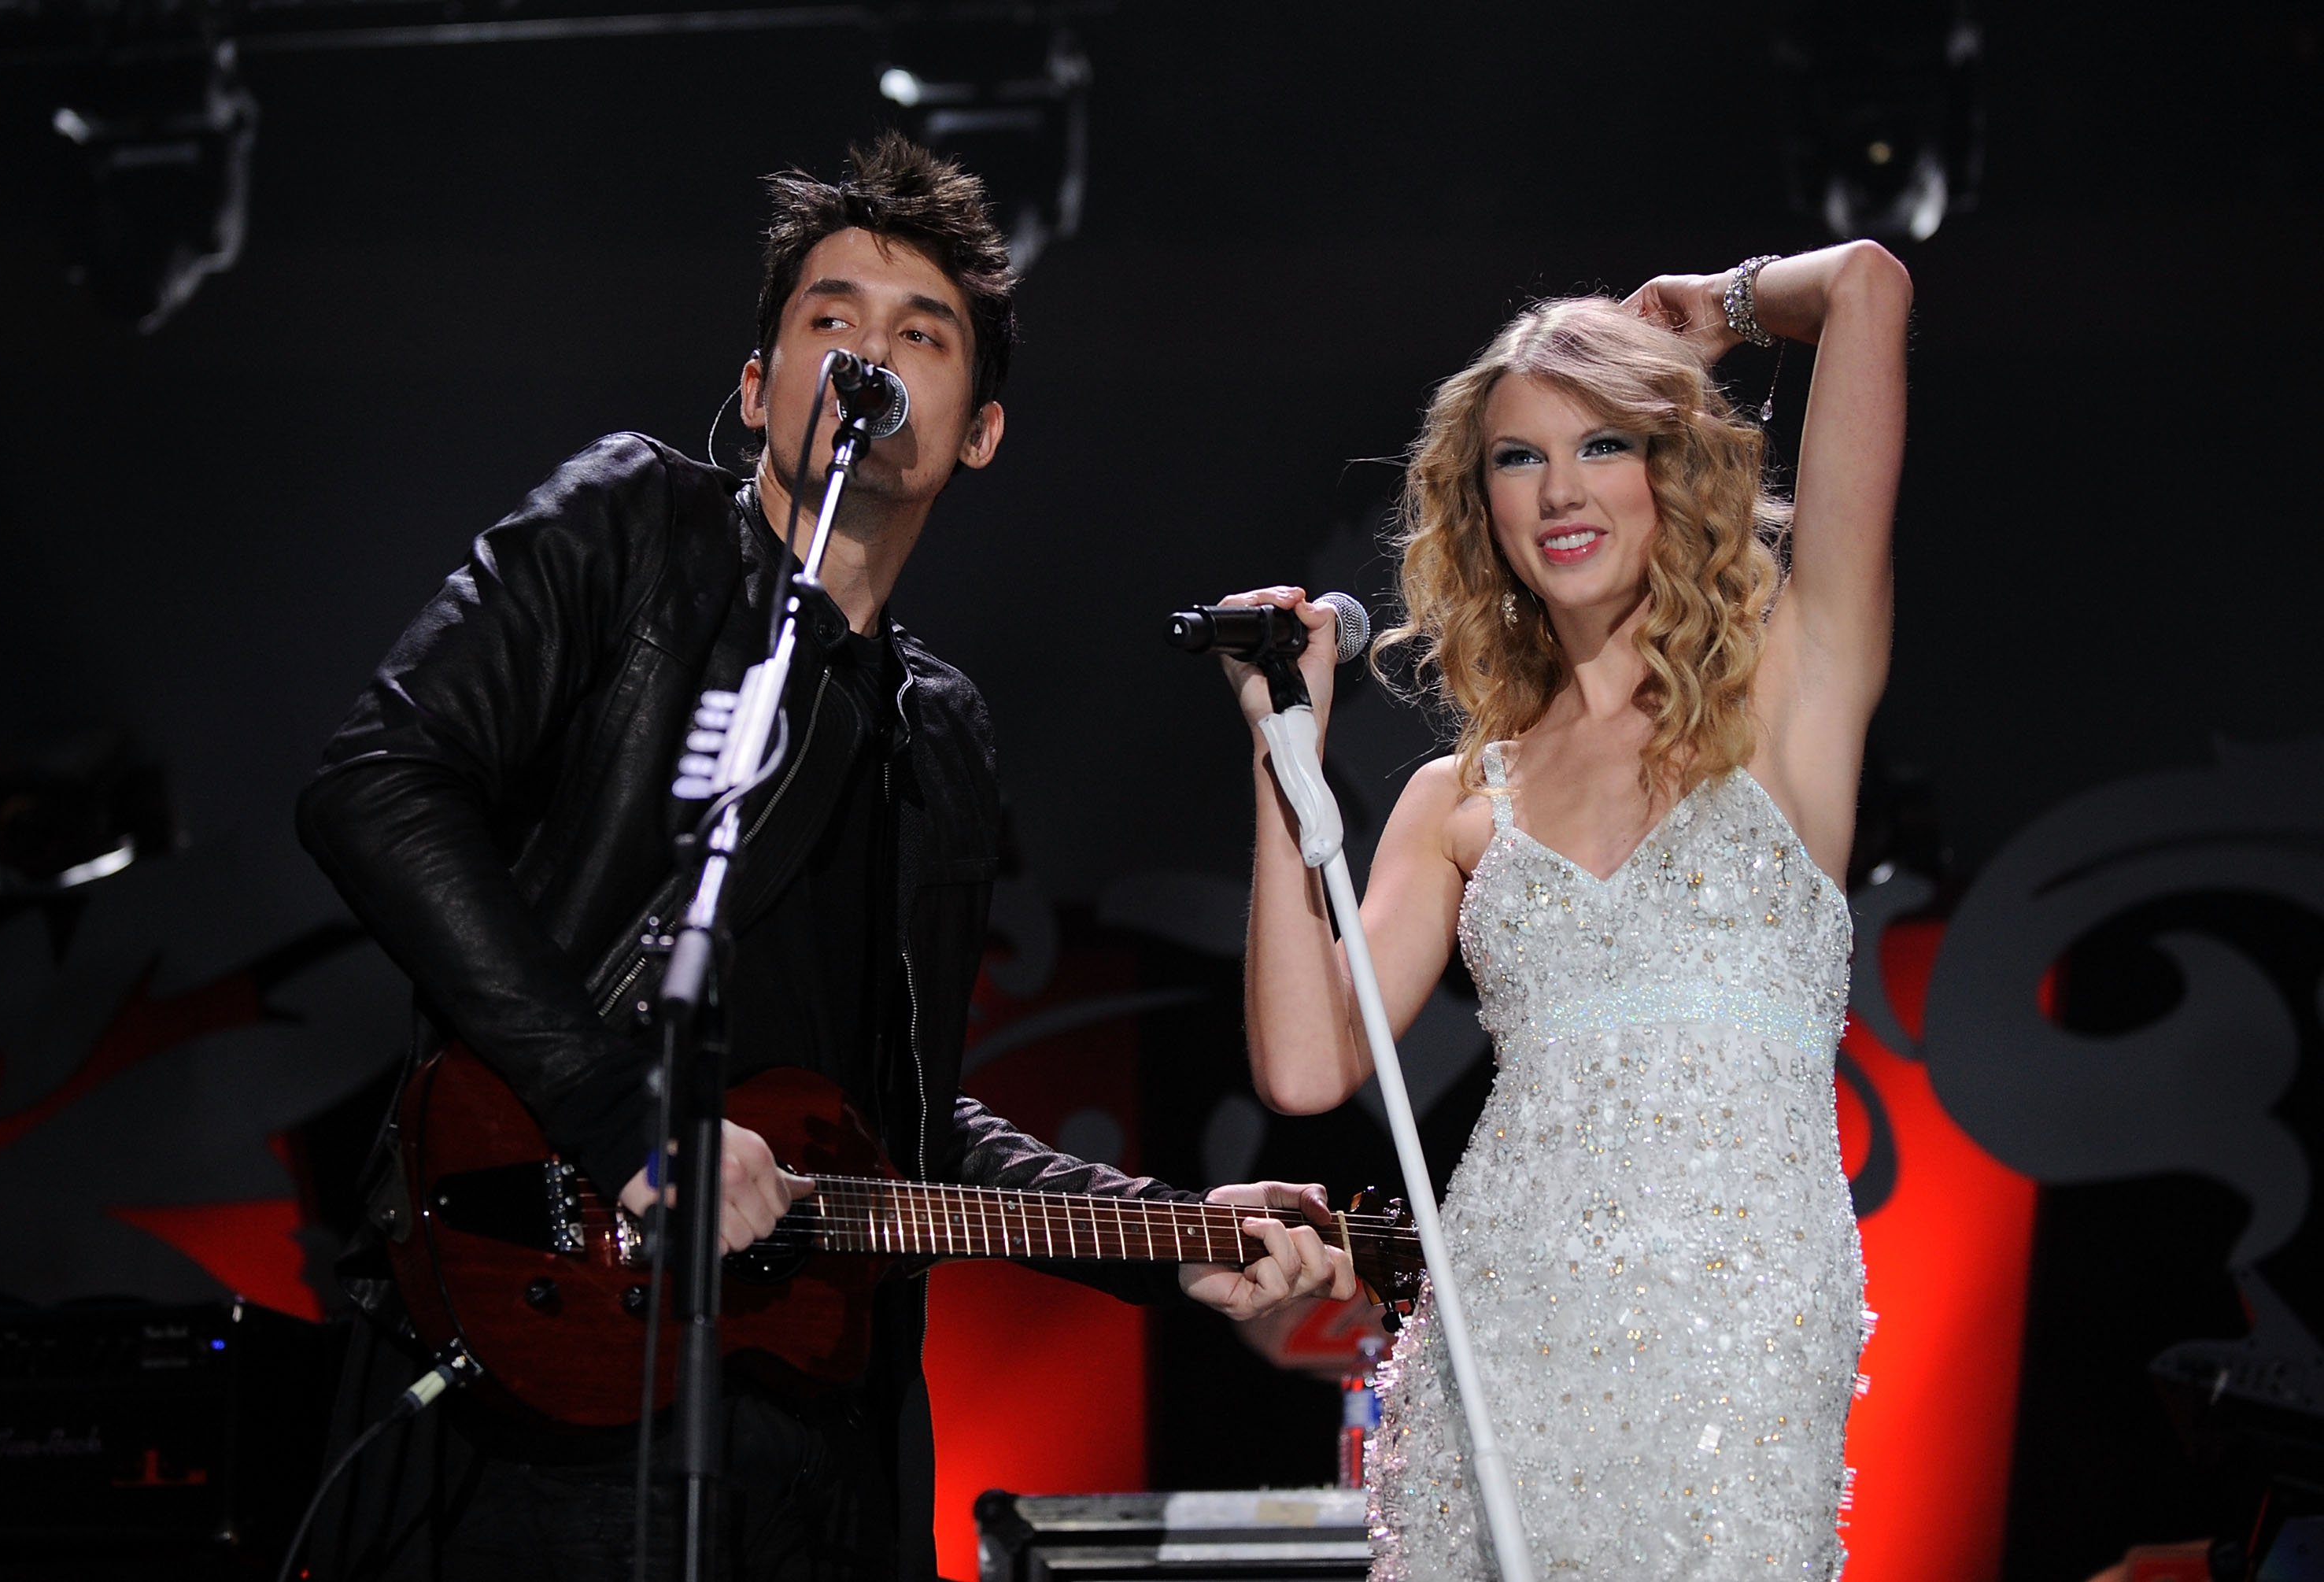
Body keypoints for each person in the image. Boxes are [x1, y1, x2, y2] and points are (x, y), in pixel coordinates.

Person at [297, 132, 1354, 1582]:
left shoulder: (941, 732)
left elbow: (898, 1125)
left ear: (977, 428)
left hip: (820, 1431)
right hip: (552, 1361)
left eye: (921, 335)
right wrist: (627, 1122)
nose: (870, 353)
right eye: (828, 320)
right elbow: (377, 783)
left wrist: (1166, 1228)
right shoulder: (631, 529)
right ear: (757, 390)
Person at [1217, 242, 1910, 1578]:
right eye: (1518, 458)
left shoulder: (1793, 693)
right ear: (1481, 507)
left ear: (1671, 469)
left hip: (1743, 1330)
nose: (1561, 488)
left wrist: (1705, 314)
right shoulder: (1458, 796)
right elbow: (1307, 1064)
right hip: (1506, 1325)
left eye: (1603, 443)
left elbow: (1869, 285)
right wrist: (1280, 744)